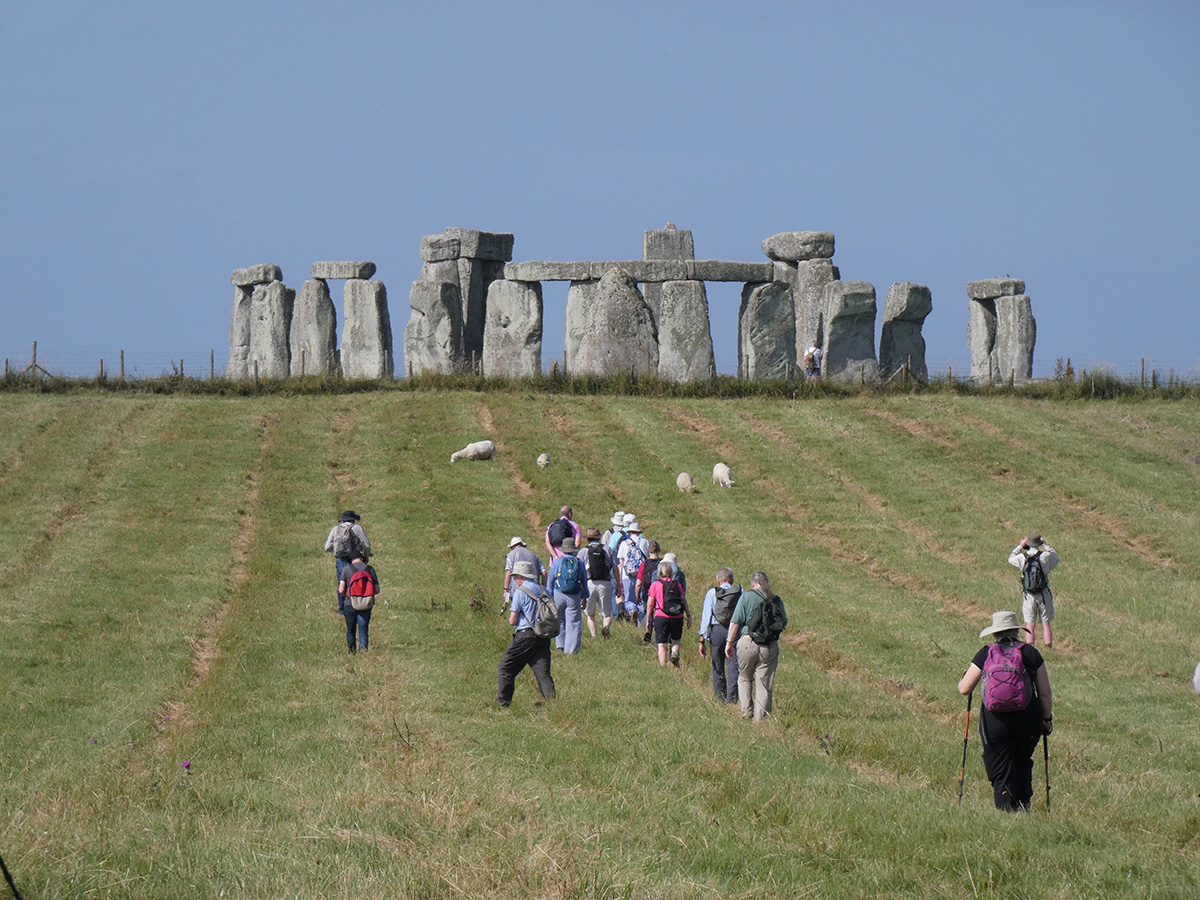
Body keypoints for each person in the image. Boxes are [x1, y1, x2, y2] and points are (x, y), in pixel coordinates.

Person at [957, 610, 1053, 812]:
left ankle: (1004, 811)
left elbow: (965, 688)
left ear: (995, 633)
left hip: (995, 722)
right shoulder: (1030, 653)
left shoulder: (986, 653)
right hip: (1028, 720)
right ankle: (1023, 806)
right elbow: (1044, 693)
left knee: (1001, 766)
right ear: (1017, 631)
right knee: (1022, 761)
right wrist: (1046, 719)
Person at [725, 571, 787, 720]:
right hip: (769, 646)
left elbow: (735, 622)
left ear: (753, 584)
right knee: (764, 684)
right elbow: (784, 622)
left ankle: (746, 713)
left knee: (744, 678)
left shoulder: (746, 596)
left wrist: (729, 643)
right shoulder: (775, 599)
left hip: (747, 642)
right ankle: (759, 721)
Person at [496, 561, 555, 706]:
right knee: (543, 673)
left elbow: (512, 620)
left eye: (516, 576)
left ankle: (503, 703)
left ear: (521, 576)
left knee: (506, 668)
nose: (515, 580)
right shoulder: (544, 590)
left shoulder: (520, 592)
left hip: (525, 635)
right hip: (543, 635)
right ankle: (552, 703)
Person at [1008, 532, 1060, 648]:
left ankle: (1030, 647)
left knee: (1030, 623)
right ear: (1039, 543)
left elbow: (1010, 559)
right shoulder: (1045, 556)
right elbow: (1056, 558)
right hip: (1043, 593)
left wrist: (1020, 546)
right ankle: (1048, 647)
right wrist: (1046, 545)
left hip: (1028, 595)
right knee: (1046, 622)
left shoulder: (1022, 557)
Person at [698, 568, 740, 703]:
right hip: (733, 631)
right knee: (733, 665)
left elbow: (706, 617)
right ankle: (732, 698)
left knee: (717, 665)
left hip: (716, 631)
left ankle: (719, 697)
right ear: (732, 580)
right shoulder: (740, 593)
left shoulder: (712, 593)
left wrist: (702, 639)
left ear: (718, 580)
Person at [323, 510, 372, 612]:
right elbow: (366, 544)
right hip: (355, 559)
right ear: (353, 520)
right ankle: (357, 604)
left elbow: (327, 547)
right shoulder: (356, 528)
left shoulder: (335, 529)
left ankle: (342, 608)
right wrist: (366, 555)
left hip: (341, 559)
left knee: (342, 582)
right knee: (357, 581)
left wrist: (337, 550)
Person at [645, 560, 691, 666]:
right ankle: (674, 654)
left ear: (659, 572)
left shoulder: (655, 585)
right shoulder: (677, 583)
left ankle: (663, 666)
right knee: (676, 640)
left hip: (661, 616)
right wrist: (688, 615)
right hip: (677, 616)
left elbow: (650, 605)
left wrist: (648, 620)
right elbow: (683, 600)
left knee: (662, 644)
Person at [547, 536, 585, 654]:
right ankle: (571, 650)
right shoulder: (579, 563)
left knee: (560, 620)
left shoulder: (557, 562)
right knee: (573, 622)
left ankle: (560, 645)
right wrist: (585, 596)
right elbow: (584, 580)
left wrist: (549, 594)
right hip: (574, 595)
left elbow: (551, 579)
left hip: (558, 593)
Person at [337, 552, 379, 654]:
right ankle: (363, 652)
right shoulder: (370, 569)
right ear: (363, 558)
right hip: (366, 603)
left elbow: (341, 589)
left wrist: (346, 596)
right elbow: (377, 590)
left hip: (350, 602)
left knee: (351, 630)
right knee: (363, 629)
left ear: (351, 559)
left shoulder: (346, 569)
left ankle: (352, 651)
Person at [579, 527, 616, 638]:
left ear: (588, 539)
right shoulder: (607, 549)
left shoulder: (583, 551)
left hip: (590, 584)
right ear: (599, 538)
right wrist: (618, 585)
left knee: (590, 614)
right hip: (605, 583)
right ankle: (606, 627)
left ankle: (594, 636)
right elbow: (615, 568)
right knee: (607, 613)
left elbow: (579, 569)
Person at [503, 536, 545, 610]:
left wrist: (505, 590)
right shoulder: (533, 555)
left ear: (512, 546)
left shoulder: (511, 555)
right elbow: (544, 572)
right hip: (535, 591)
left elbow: (508, 572)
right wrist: (543, 589)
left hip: (517, 591)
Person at [616, 523, 645, 622]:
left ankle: (632, 611)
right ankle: (640, 621)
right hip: (642, 575)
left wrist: (619, 579)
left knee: (629, 599)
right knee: (640, 599)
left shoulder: (624, 544)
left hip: (627, 575)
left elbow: (621, 563)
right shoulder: (644, 542)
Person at [635, 540, 664, 627]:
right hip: (660, 591)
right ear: (659, 551)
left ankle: (648, 628)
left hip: (647, 591)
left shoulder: (644, 564)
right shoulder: (662, 564)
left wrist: (637, 596)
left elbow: (638, 583)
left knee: (647, 611)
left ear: (648, 552)